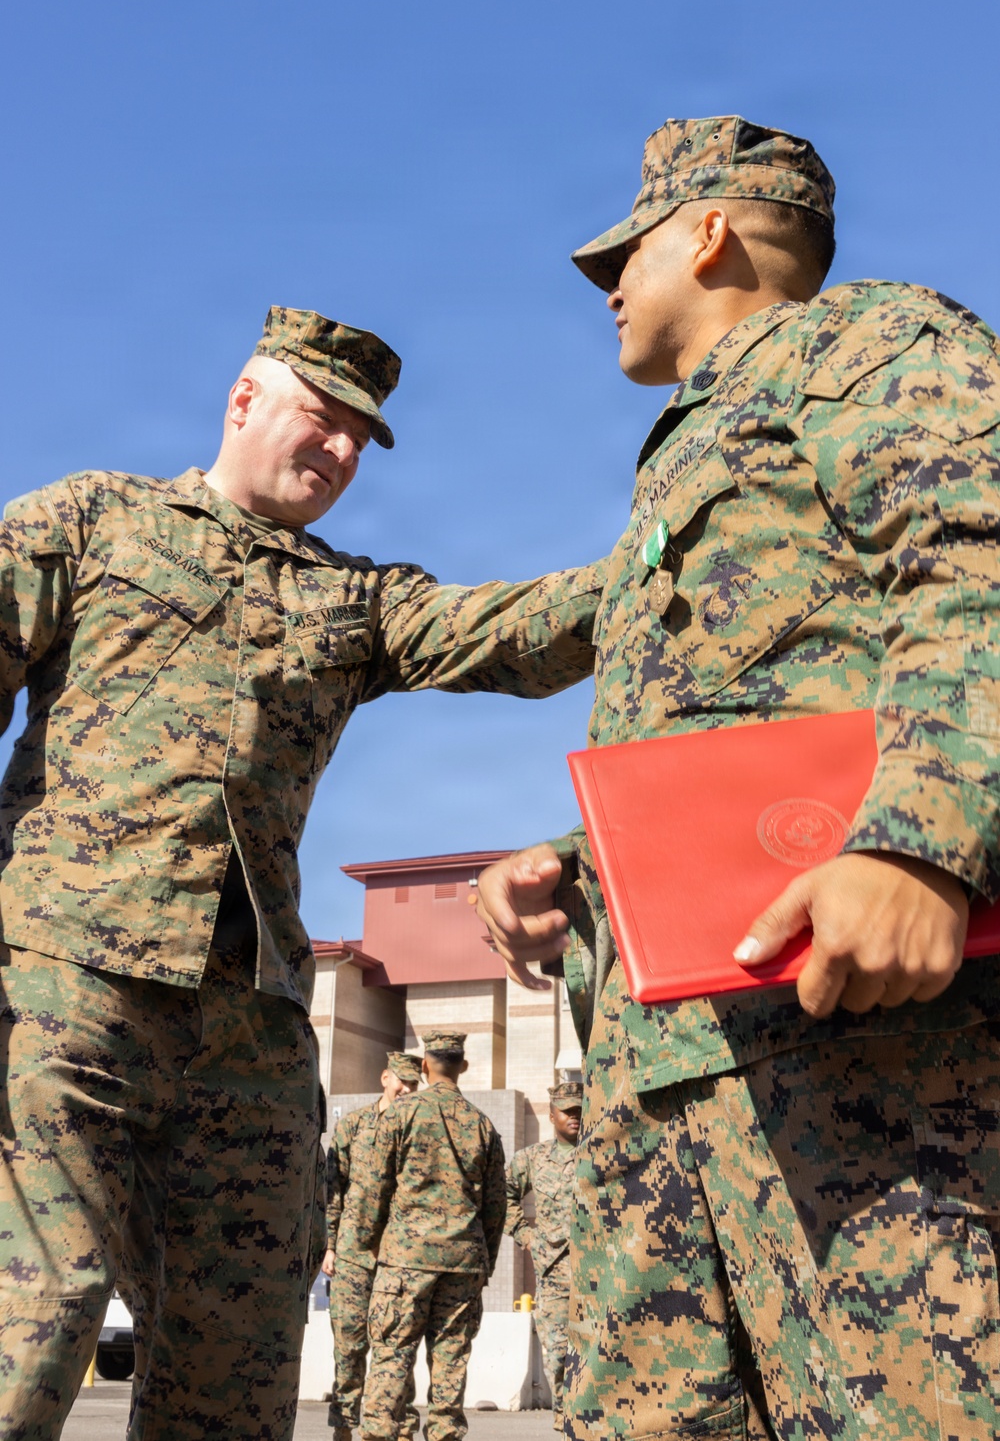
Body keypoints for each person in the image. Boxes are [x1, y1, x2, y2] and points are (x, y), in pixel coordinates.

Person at [473, 117, 1000, 1439]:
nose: (606, 289)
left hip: (865, 1035)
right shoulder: (689, 452)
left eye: (626, 252)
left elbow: (975, 562)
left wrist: (924, 840)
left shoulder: (869, 345)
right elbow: (749, 718)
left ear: (708, 231)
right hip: (675, 1067)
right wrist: (578, 861)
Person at [0, 306, 604, 1440]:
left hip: (251, 1023)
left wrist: (679, 557)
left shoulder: (350, 598)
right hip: (69, 988)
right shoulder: (93, 521)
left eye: (359, 441)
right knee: (38, 1312)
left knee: (240, 1357)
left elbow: (505, 629)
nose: (337, 454)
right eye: (320, 420)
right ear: (244, 401)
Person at [355, 1031, 506, 1441]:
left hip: (405, 1259)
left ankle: (381, 1434)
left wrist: (368, 1246)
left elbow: (372, 1189)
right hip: (463, 1262)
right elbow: (495, 1208)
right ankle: (444, 1434)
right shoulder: (483, 1125)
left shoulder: (400, 1115)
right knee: (451, 1359)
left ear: (424, 1066)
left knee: (391, 1356)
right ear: (465, 1067)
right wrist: (484, 1261)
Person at [323, 1052, 424, 1440]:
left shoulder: (419, 1132)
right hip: (352, 1256)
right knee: (348, 1350)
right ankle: (345, 1429)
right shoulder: (353, 1125)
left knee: (397, 1350)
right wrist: (329, 1246)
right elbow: (334, 1191)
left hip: (398, 1261)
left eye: (414, 1084)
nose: (407, 1089)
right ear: (385, 1077)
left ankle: (401, 1430)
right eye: (402, 1081)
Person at [504, 1080, 582, 1428]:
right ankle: (566, 1422)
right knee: (559, 1357)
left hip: (600, 1274)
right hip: (554, 1277)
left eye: (580, 1110)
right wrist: (525, 1234)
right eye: (568, 1112)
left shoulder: (602, 1153)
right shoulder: (533, 1159)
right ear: (551, 1115)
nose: (575, 1117)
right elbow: (500, 1195)